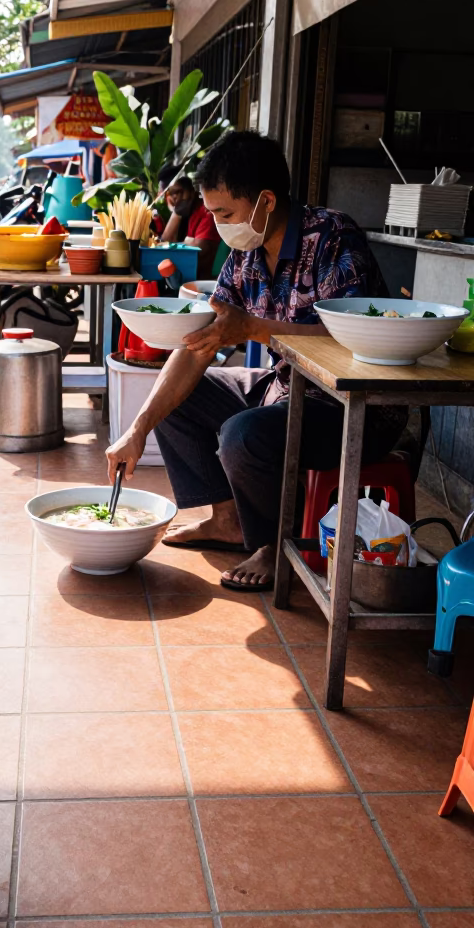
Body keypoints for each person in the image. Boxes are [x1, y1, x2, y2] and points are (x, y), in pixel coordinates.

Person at [106, 130, 407, 591]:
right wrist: (137, 429)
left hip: (349, 408)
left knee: (242, 436)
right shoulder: (245, 255)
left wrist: (251, 327)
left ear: (266, 201)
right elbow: (202, 344)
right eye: (212, 214)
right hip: (284, 387)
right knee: (171, 399)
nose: (219, 225)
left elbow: (350, 338)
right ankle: (228, 520)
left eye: (225, 214)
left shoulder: (331, 238)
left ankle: (271, 543)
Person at [156, 167, 221, 278]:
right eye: (169, 194)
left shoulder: (207, 212)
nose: (175, 197)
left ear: (191, 191)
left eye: (178, 192)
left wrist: (176, 213)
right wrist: (176, 214)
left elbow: (198, 249)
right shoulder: (190, 213)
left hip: (204, 280)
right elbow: (164, 242)